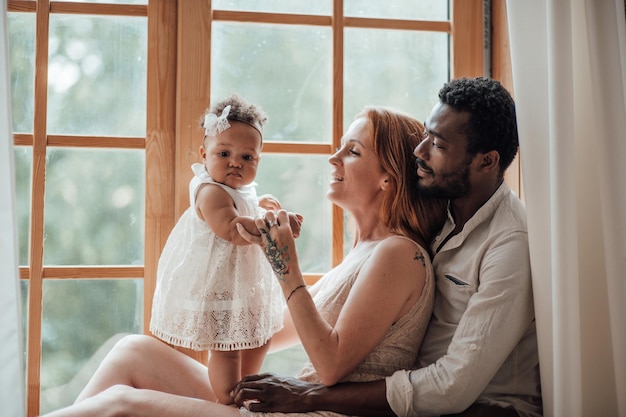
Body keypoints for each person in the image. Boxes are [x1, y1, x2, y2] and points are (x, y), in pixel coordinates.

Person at [41, 106, 448, 417]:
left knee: (120, 405)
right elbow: (273, 327)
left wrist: (285, 266)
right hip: (288, 403)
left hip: (318, 413)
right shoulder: (363, 253)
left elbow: (330, 366)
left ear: (388, 177)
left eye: (353, 151)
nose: (334, 157)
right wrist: (228, 269)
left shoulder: (399, 253)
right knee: (131, 352)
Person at [232, 77, 542, 417]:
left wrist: (311, 396)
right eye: (425, 135)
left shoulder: (510, 243)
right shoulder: (438, 222)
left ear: (487, 161)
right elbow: (275, 331)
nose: (419, 152)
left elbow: (453, 386)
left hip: (485, 409)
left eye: (438, 145)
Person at [148, 94, 302, 404]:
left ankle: (247, 385)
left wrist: (261, 206)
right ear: (204, 155)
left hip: (242, 284)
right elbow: (232, 229)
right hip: (218, 285)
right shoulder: (210, 192)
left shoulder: (238, 190)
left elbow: (243, 206)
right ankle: (228, 401)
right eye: (224, 153)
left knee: (258, 337)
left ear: (258, 159)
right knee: (227, 347)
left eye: (247, 157)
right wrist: (271, 227)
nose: (235, 162)